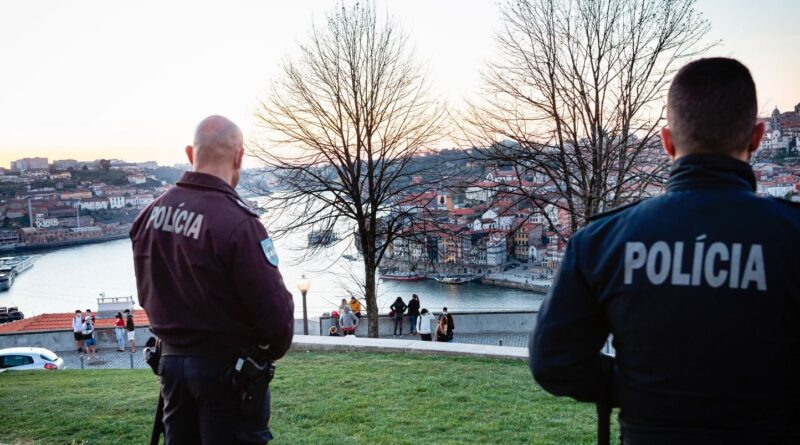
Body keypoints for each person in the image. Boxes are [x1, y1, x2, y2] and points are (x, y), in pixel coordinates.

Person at [530, 58, 800, 444]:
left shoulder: (602, 241)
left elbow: (553, 363)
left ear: (667, 141)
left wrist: (637, 387)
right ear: (756, 138)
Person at [131, 115, 294, 444]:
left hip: (172, 368)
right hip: (227, 374)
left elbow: (147, 294)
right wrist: (267, 349)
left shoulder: (148, 216)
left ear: (191, 154)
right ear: (239, 157)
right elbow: (276, 319)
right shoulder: (238, 223)